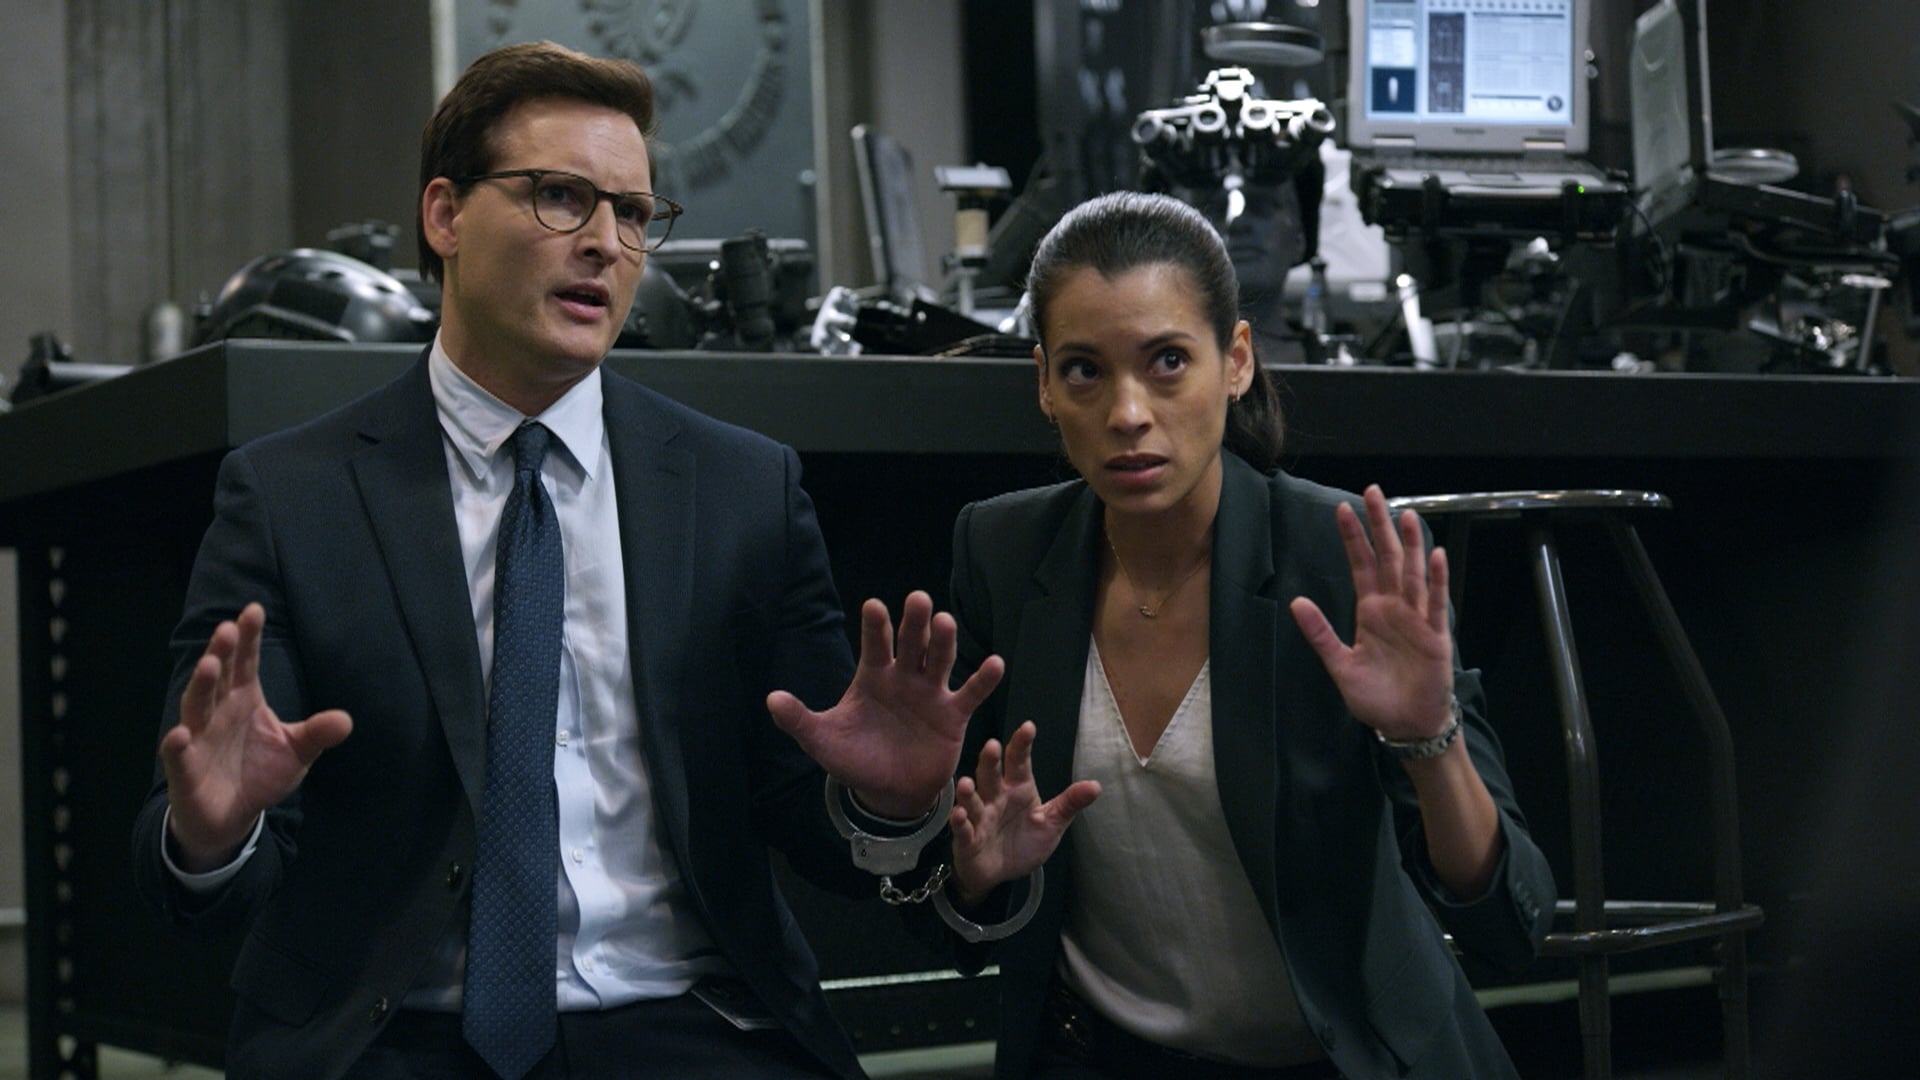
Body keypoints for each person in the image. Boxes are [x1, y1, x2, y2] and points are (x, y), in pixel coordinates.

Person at [130, 40, 996, 1080]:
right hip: (396, 1033)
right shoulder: (290, 496)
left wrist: (885, 807)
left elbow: (807, 814)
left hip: (691, 1021)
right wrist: (214, 834)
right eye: (559, 197)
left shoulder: (741, 489)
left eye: (631, 213)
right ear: (445, 215)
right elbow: (202, 857)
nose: (603, 244)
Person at [926, 191, 1555, 1078]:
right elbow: (957, 919)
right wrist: (968, 869)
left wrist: (1429, 737)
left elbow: (1509, 924)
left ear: (1237, 362)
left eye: (1168, 361)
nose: (1127, 413)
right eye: (1084, 370)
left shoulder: (1341, 558)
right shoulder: (1003, 550)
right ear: (1043, 384)